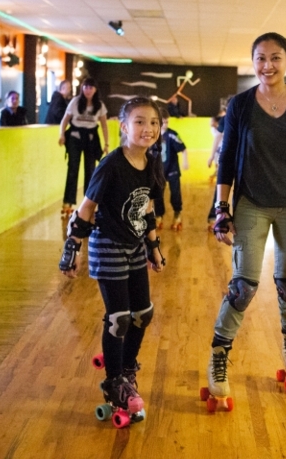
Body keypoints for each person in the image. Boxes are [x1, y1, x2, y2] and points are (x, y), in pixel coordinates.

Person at [206, 32, 286, 403]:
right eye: (260, 58)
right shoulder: (241, 105)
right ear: (253, 62)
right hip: (251, 204)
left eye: (275, 58)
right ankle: (218, 355)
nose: (267, 65)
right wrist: (221, 207)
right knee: (244, 286)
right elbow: (226, 159)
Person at [58, 96, 166, 417]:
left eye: (154, 122)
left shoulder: (152, 164)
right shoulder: (111, 164)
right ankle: (113, 381)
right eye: (140, 122)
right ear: (123, 127)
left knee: (142, 314)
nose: (148, 129)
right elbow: (87, 207)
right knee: (119, 317)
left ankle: (127, 369)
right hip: (105, 244)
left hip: (133, 245)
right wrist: (72, 249)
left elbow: (145, 209)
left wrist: (153, 246)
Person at [58, 78, 109, 217]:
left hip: (91, 138)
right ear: (82, 88)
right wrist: (61, 135)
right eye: (86, 87)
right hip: (75, 136)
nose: (88, 90)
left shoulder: (99, 105)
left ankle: (89, 203)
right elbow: (65, 120)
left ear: (95, 90)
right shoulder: (75, 102)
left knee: (91, 171)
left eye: (91, 87)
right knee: (73, 168)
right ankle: (68, 202)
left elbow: (104, 125)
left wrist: (106, 143)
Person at [153, 108, 189, 230]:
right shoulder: (153, 135)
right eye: (163, 122)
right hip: (159, 171)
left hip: (172, 169)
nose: (166, 125)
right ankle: (159, 215)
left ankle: (177, 213)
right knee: (158, 194)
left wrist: (185, 162)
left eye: (167, 122)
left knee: (175, 193)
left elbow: (183, 148)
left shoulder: (172, 134)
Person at [207, 106, 227, 229]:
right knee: (220, 188)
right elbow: (217, 137)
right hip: (225, 158)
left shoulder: (246, 117)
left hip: (241, 159)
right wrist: (211, 155)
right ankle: (213, 216)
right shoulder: (225, 120)